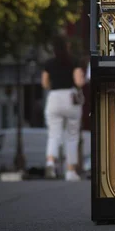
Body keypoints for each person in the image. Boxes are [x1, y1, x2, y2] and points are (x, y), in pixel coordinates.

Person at [41, 36, 86, 181]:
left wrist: (53, 87)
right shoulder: (74, 61)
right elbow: (79, 82)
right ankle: (70, 171)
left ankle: (50, 163)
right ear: (67, 46)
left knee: (54, 134)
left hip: (54, 98)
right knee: (72, 136)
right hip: (70, 97)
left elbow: (44, 83)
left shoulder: (48, 63)